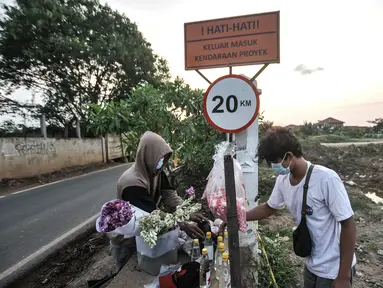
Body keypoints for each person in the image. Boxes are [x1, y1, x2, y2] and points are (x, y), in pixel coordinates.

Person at [227, 128, 356, 288]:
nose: (273, 166)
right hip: (311, 265)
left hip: (334, 269)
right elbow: (269, 207)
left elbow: (348, 224)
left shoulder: (326, 179)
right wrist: (238, 216)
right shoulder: (283, 180)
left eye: (274, 162)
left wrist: (344, 275)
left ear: (288, 156)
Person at [110, 131, 207, 270]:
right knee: (132, 272)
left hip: (144, 234)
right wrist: (183, 223)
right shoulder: (132, 183)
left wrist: (187, 212)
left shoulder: (155, 172)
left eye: (164, 159)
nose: (161, 163)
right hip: (128, 239)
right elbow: (152, 215)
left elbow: (170, 196)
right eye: (159, 159)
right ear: (147, 155)